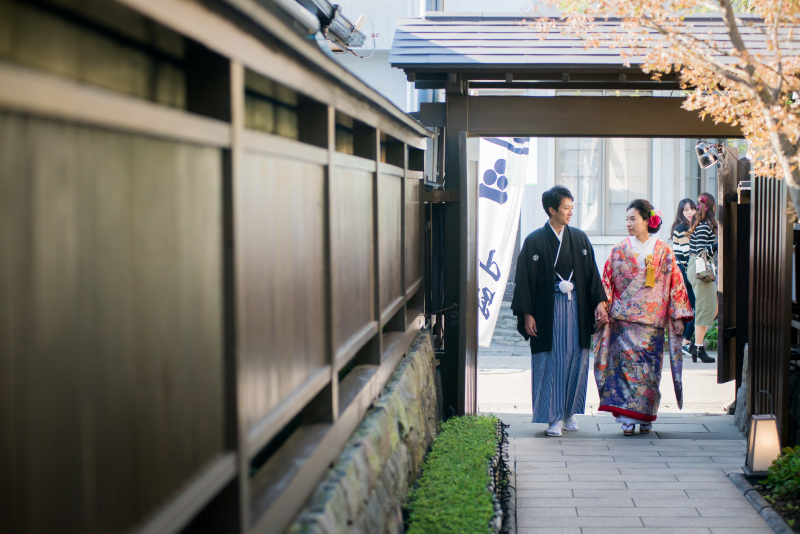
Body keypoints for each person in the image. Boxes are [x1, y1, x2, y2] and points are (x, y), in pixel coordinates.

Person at [511, 185, 607, 437]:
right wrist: (527, 313)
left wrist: (599, 302)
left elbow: (592, 274)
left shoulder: (579, 238)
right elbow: (524, 280)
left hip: (576, 307)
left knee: (576, 357)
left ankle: (569, 412)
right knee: (551, 360)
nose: (570, 212)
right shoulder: (534, 240)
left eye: (571, 207)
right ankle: (552, 417)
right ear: (552, 210)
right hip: (547, 309)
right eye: (566, 208)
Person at [594, 199, 693, 436]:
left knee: (649, 372)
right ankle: (627, 418)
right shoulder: (618, 249)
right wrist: (602, 305)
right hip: (623, 322)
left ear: (648, 220)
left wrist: (678, 316)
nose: (628, 223)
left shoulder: (663, 250)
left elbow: (676, 283)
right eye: (626, 219)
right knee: (625, 370)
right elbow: (606, 280)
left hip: (652, 324)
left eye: (633, 219)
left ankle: (646, 414)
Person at [686, 193, 718, 363]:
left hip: (697, 268)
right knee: (705, 309)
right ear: (712, 207)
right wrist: (718, 245)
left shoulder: (701, 224)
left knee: (713, 308)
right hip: (701, 270)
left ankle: (695, 343)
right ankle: (698, 348)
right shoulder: (705, 226)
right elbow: (701, 252)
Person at [670, 199, 698, 356]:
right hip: (686, 272)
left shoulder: (687, 227)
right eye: (686, 210)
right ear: (681, 212)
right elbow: (687, 254)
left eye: (692, 209)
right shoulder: (682, 228)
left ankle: (686, 342)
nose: (690, 212)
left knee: (694, 308)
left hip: (684, 272)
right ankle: (685, 343)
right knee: (697, 308)